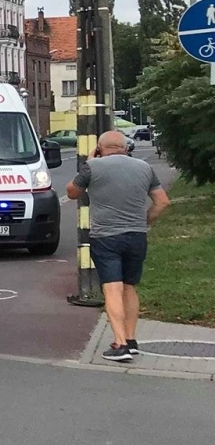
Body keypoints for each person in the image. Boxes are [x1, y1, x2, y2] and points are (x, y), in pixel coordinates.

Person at [65, 130, 172, 363]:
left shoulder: (93, 167)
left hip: (106, 237)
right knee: (130, 287)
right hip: (136, 236)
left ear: (100, 148)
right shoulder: (144, 168)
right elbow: (162, 202)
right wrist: (144, 221)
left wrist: (90, 162)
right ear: (126, 148)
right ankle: (132, 340)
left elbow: (71, 192)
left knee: (112, 288)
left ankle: (120, 344)